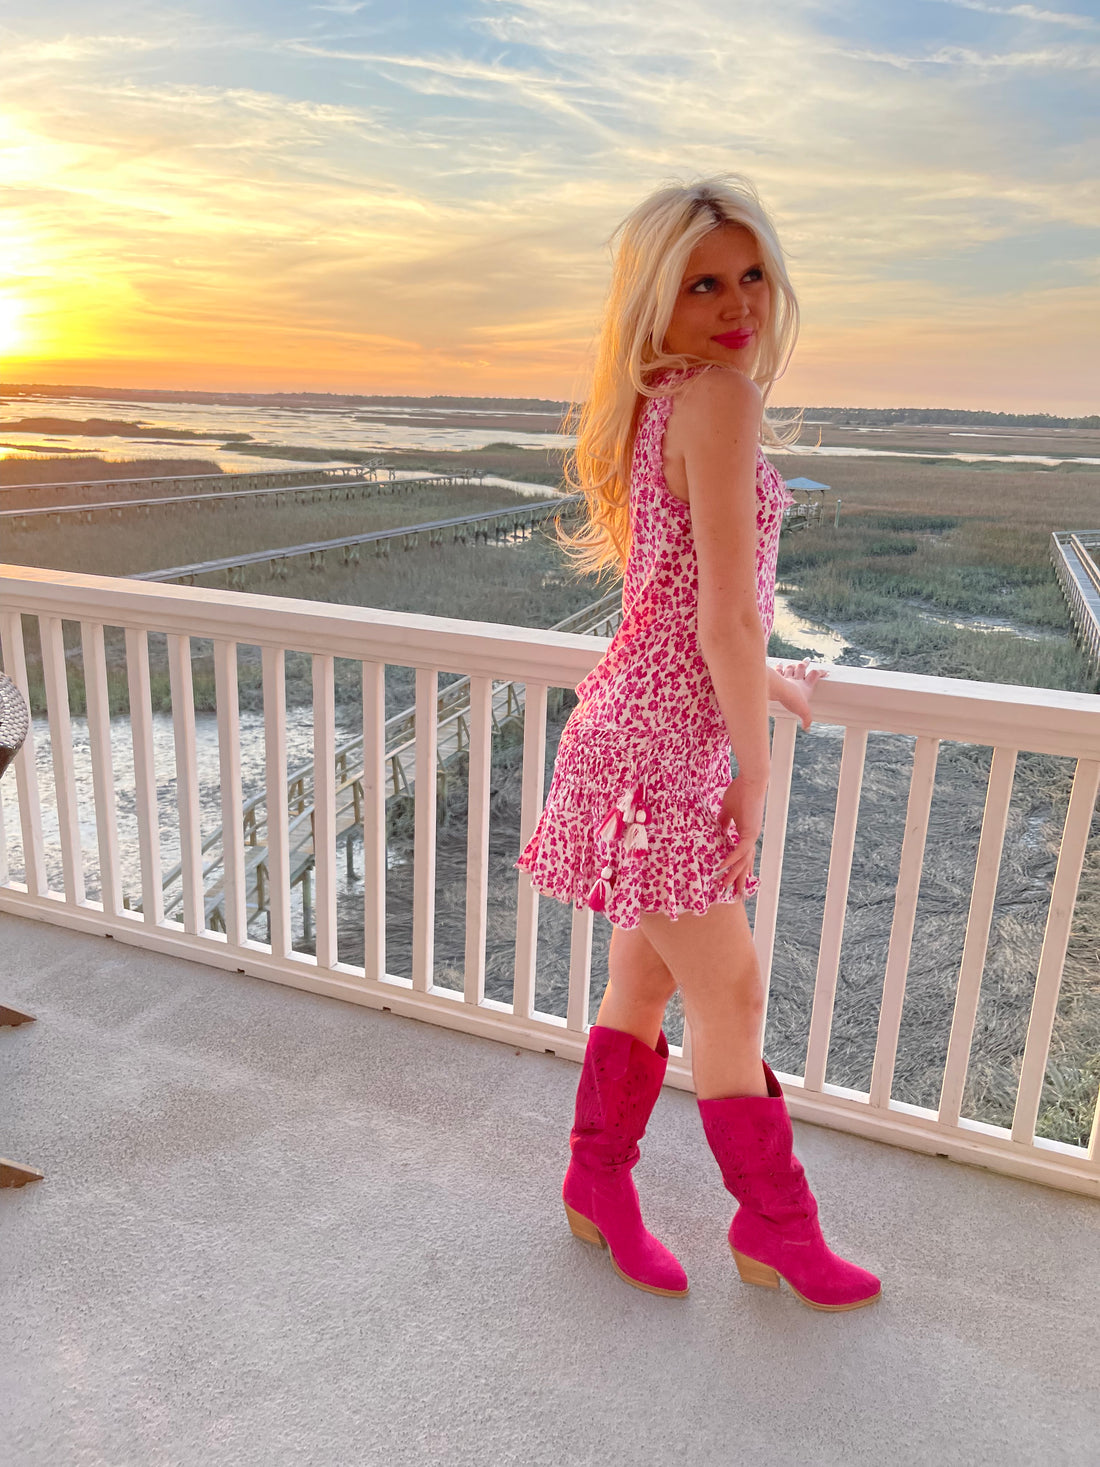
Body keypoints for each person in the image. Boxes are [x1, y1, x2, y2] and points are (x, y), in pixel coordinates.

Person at [514, 175, 881, 1312]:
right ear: (655, 304)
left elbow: (678, 600)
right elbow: (719, 609)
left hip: (632, 728)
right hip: (659, 753)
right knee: (730, 989)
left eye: (751, 276)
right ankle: (774, 1231)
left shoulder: (659, 399)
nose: (737, 306)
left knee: (644, 981)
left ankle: (594, 1186)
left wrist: (762, 676)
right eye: (702, 283)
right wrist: (751, 765)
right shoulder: (715, 397)